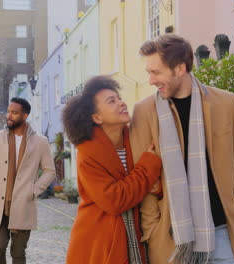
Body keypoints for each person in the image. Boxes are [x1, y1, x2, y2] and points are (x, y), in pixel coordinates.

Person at [130, 34, 234, 264]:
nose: (151, 80)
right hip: (170, 238)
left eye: (156, 72)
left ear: (180, 68)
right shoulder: (144, 112)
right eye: (149, 72)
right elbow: (142, 177)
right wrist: (152, 227)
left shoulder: (226, 103)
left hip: (222, 232)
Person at [64, 75, 163, 264]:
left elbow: (152, 186)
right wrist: (148, 166)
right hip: (100, 238)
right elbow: (115, 200)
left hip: (139, 230)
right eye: (112, 101)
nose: (121, 103)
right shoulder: (87, 154)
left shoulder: (136, 139)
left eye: (118, 98)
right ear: (97, 117)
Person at [0, 97, 55, 264]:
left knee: (18, 252)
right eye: (8, 111)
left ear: (25, 115)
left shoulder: (40, 142)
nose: (9, 116)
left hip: (23, 204)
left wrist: (33, 191)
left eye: (14, 113)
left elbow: (50, 171)